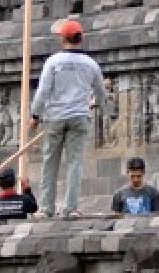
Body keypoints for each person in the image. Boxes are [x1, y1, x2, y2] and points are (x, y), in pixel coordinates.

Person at [30, 18, 104, 218]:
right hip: (79, 116)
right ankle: (71, 208)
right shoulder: (90, 64)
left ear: (63, 39)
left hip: (55, 115)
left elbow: (43, 91)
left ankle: (46, 208)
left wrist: (35, 115)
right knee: (75, 163)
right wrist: (97, 103)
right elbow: (100, 91)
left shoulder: (54, 61)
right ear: (81, 39)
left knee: (50, 162)